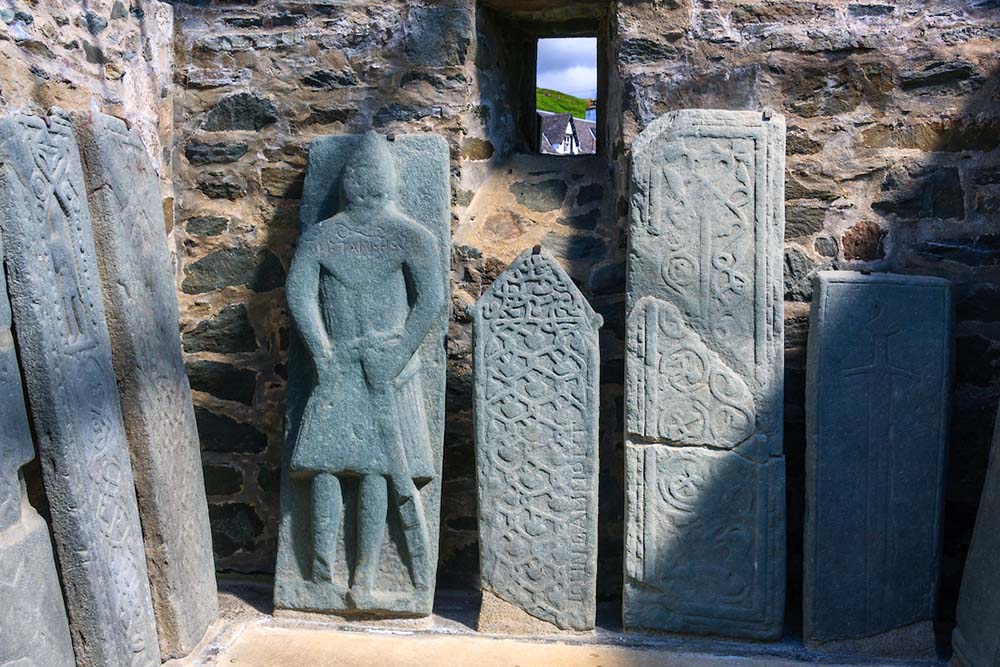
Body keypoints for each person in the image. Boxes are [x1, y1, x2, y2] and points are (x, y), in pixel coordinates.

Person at [285, 131, 442, 606]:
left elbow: (430, 300)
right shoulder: (322, 236)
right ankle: (319, 576)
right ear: (345, 182)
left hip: (386, 368)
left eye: (372, 173)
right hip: (338, 367)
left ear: (390, 180)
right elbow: (299, 294)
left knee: (376, 474)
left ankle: (365, 579)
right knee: (325, 468)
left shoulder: (412, 236)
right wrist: (322, 350)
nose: (363, 179)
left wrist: (399, 355)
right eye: (356, 172)